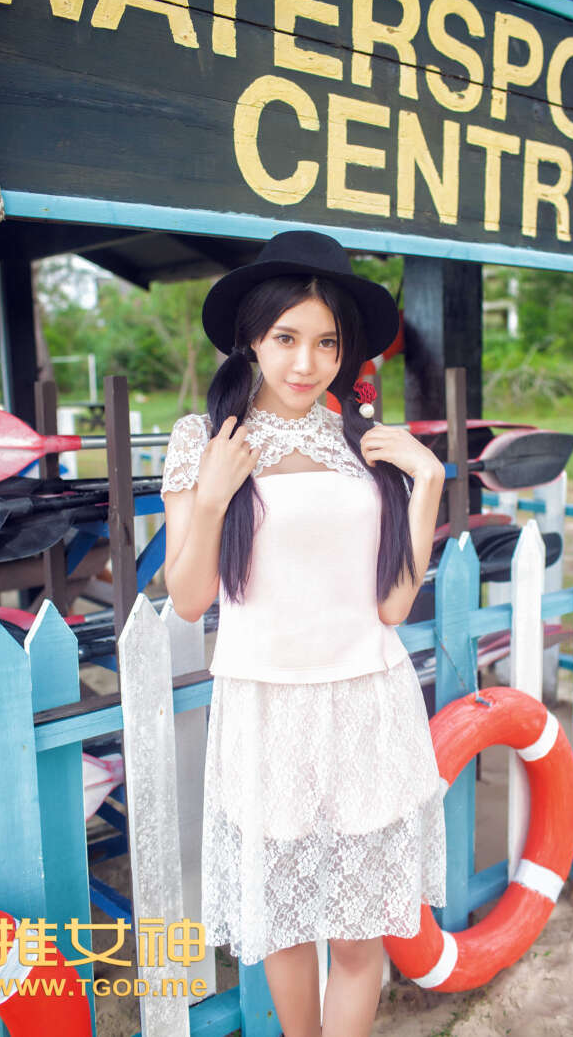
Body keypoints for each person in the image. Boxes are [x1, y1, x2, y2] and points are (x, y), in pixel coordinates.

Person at [161, 230, 447, 1037]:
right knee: (286, 927)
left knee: (357, 935)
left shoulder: (361, 443)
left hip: (366, 704)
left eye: (326, 343)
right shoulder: (204, 439)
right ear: (252, 337)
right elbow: (188, 599)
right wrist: (212, 497)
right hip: (267, 710)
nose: (306, 363)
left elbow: (392, 607)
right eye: (287, 338)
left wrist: (426, 484)